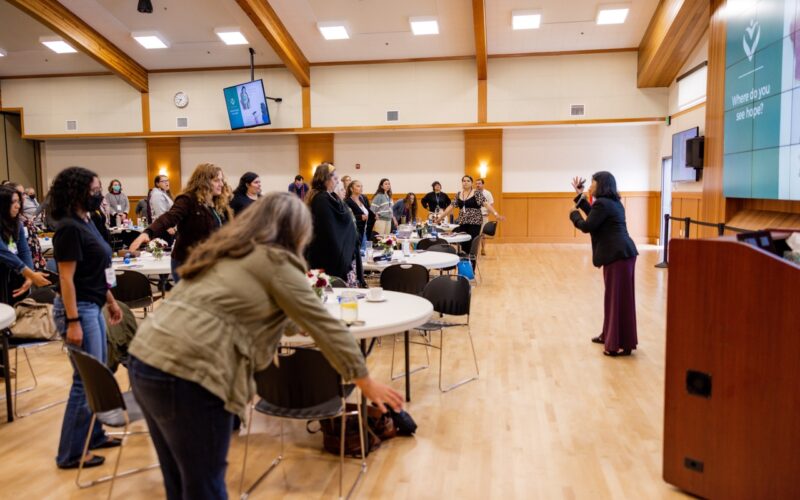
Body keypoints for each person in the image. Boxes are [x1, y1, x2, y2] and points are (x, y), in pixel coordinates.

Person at [127, 192, 402, 499]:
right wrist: (364, 380)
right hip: (190, 373)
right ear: (298, 230)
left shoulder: (226, 252)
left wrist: (295, 320)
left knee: (180, 480)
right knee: (204, 485)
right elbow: (326, 326)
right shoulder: (276, 260)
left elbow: (249, 307)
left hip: (145, 358)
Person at [46, 167, 123, 469]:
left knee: (98, 376)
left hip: (94, 304)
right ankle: (71, 453)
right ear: (77, 192)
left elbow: (97, 269)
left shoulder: (87, 221)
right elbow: (66, 279)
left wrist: (110, 300)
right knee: (85, 380)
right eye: (94, 190)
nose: (99, 194)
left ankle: (95, 435)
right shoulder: (68, 228)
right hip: (78, 309)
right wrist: (73, 321)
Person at [569, 172, 639, 356]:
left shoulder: (603, 204)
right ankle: (613, 337)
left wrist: (574, 215)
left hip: (617, 255)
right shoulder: (613, 203)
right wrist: (580, 196)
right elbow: (595, 217)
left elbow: (587, 226)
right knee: (619, 298)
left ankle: (614, 344)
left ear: (601, 185)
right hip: (624, 254)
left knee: (615, 299)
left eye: (593, 183)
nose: (590, 186)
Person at [130, 164, 232, 282]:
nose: (221, 184)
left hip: (209, 261)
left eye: (221, 180)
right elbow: (169, 217)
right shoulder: (188, 199)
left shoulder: (219, 203)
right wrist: (147, 232)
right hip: (187, 262)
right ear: (204, 181)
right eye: (216, 180)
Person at [306, 164, 360, 281]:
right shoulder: (321, 199)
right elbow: (329, 228)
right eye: (335, 179)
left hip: (334, 251)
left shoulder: (329, 197)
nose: (337, 182)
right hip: (328, 254)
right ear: (325, 179)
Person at [435, 175, 503, 266]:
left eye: (468, 181)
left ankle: (472, 267)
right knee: (464, 245)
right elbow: (450, 207)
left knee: (472, 245)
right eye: (464, 181)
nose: (465, 182)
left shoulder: (477, 193)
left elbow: (487, 204)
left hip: (475, 223)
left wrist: (496, 214)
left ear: (471, 183)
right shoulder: (459, 194)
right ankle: (465, 266)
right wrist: (440, 217)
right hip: (463, 222)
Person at [0, 187, 50, 303]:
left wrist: (29, 276)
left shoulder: (17, 223)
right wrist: (29, 273)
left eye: (18, 202)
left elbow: (24, 250)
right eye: (13, 202)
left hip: (14, 273)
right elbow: (3, 251)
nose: (18, 206)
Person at [5, 182, 47, 273]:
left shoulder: (18, 221)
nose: (23, 197)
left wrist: (30, 273)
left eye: (23, 194)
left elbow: (24, 251)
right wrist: (27, 272)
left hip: (29, 257)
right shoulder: (15, 220)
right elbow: (5, 251)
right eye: (14, 201)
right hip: (14, 265)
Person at [475, 178, 494, 256]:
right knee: (476, 234)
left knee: (483, 234)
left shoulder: (487, 193)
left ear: (483, 184)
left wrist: (488, 212)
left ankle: (483, 249)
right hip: (475, 216)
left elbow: (491, 204)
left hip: (484, 215)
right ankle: (475, 250)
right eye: (476, 183)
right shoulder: (473, 192)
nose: (477, 185)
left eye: (479, 183)